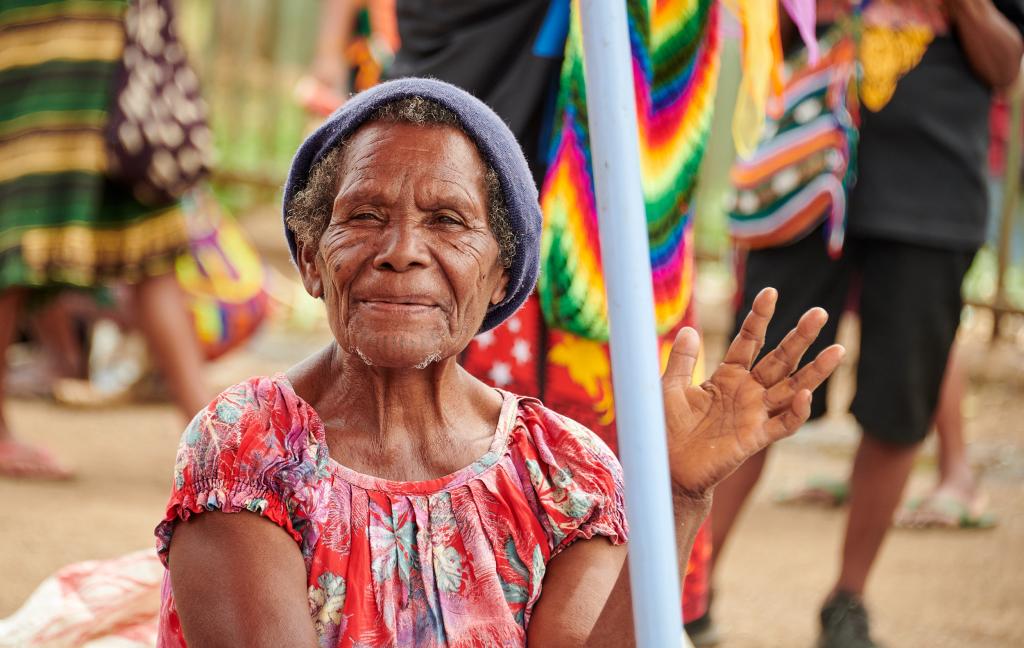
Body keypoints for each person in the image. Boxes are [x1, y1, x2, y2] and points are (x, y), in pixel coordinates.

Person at [153, 78, 844, 646]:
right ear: (310, 259)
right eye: (364, 215)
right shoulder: (248, 447)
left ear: (499, 276)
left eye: (447, 221)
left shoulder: (563, 474)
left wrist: (676, 499)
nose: (402, 249)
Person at [711, 1, 1024, 646]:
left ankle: (847, 601)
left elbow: (1004, 62)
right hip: (800, 185)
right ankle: (688, 587)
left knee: (898, 409)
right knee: (749, 394)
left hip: (931, 201)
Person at [0, 0, 210, 479]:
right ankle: (208, 429)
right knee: (19, 214)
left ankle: (210, 432)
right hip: (83, 34)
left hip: (89, 34)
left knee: (20, 213)